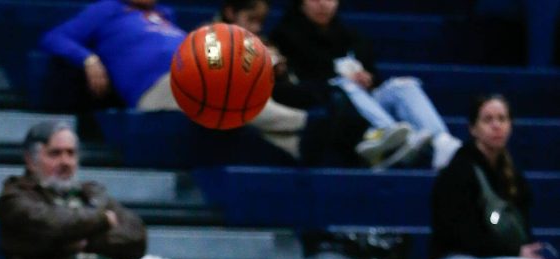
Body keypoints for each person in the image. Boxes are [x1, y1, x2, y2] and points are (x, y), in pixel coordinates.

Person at [40, 0, 381, 163]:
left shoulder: (166, 16)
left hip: (192, 76)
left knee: (237, 91)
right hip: (155, 88)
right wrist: (89, 58)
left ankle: (303, 141)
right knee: (229, 88)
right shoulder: (107, 10)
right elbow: (55, 37)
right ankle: (318, 126)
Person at [0, 120, 147, 259]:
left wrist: (86, 241)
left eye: (71, 153)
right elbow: (54, 225)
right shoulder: (15, 196)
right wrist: (102, 221)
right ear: (31, 160)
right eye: (55, 153)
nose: (65, 161)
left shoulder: (93, 193)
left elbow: (137, 236)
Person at [270, 0, 462, 169]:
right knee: (343, 84)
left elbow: (374, 76)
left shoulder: (351, 35)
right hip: (333, 107)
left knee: (404, 86)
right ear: (301, 3)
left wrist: (368, 78)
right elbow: (295, 84)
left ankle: (442, 140)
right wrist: (339, 79)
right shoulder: (285, 36)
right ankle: (388, 133)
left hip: (366, 101)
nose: (323, 4)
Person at [431, 93, 560, 259]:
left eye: (502, 119)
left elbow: (520, 226)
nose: (496, 125)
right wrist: (516, 252)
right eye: (488, 119)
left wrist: (526, 249)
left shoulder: (510, 172)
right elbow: (460, 235)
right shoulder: (458, 171)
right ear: (473, 128)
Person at [219, 0, 396, 169]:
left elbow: (285, 87)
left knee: (318, 101)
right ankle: (311, 124)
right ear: (230, 12)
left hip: (266, 109)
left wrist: (279, 72)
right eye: (251, 20)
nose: (256, 28)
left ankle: (312, 141)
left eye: (261, 22)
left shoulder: (261, 41)